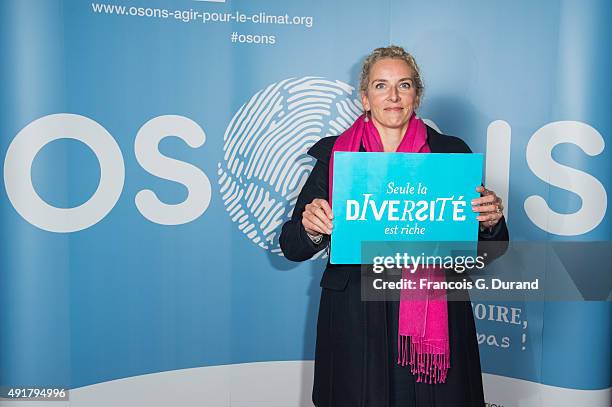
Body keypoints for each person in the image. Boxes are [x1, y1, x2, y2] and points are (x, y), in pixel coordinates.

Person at [280, 45, 509, 407]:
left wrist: (491, 221)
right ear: (365, 98)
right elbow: (292, 245)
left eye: (403, 85)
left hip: (435, 311)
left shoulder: (451, 154)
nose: (393, 96)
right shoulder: (335, 155)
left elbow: (487, 250)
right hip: (356, 312)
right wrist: (311, 227)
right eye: (381, 85)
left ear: (416, 96)